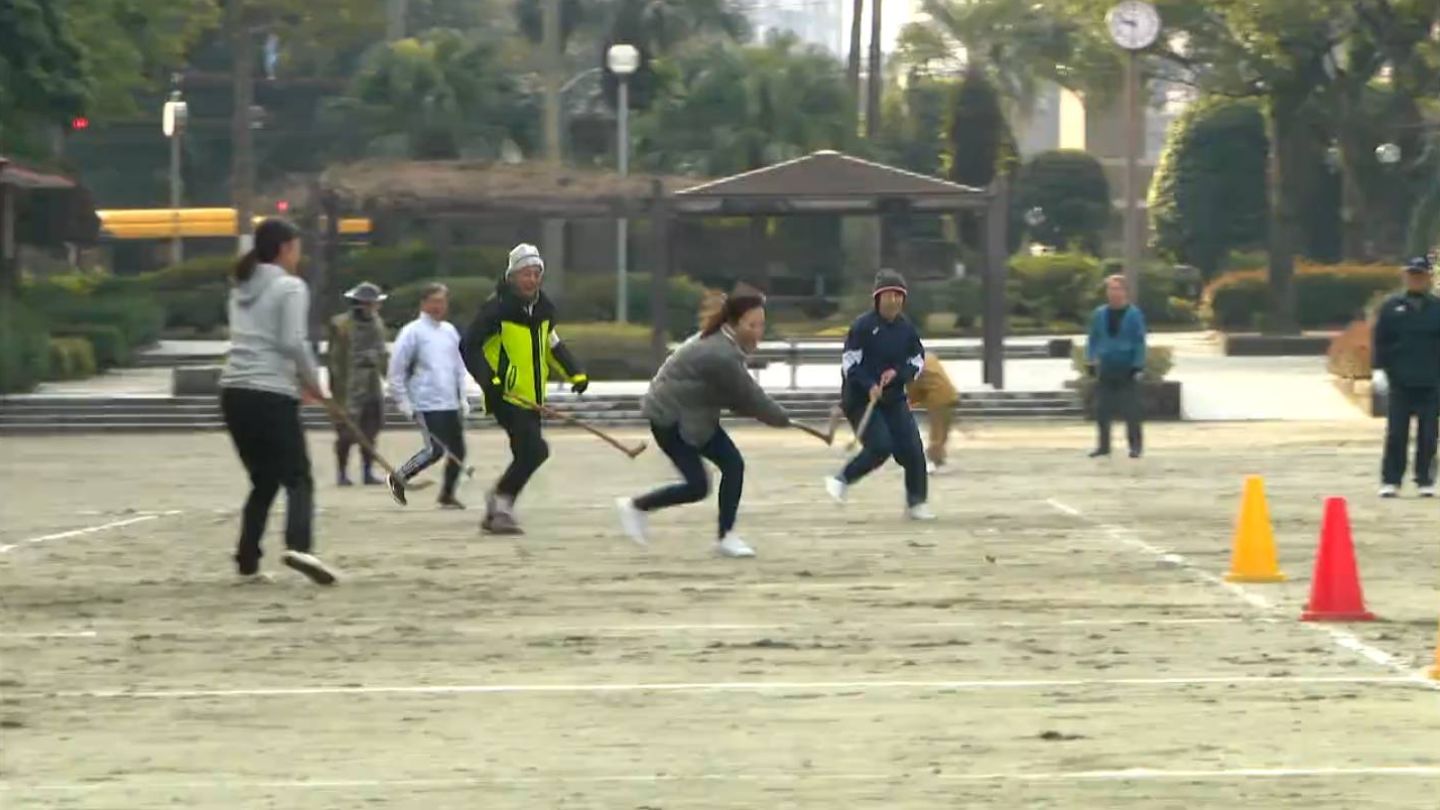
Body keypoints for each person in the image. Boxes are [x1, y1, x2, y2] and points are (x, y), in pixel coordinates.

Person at [615, 286, 792, 558]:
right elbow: (749, 396)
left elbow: (735, 397)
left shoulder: (725, 343)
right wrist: (781, 418)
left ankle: (726, 536)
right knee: (698, 486)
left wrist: (769, 415)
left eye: (761, 325)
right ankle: (635, 507)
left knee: (732, 465)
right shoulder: (720, 354)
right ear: (734, 323)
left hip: (696, 416)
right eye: (752, 325)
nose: (758, 331)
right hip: (670, 418)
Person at [218, 218, 339, 585]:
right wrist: (315, 381)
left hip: (234, 391)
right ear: (285, 248)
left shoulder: (240, 286)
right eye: (297, 248)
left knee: (264, 479)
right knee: (298, 476)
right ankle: (300, 546)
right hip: (269, 390)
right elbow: (292, 342)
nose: (298, 256)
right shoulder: (290, 287)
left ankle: (247, 559)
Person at [462, 243, 588, 534]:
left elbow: (551, 344)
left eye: (536, 273)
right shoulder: (496, 309)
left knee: (526, 453)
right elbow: (468, 346)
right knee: (536, 450)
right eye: (525, 274)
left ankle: (498, 511)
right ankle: (500, 502)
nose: (531, 279)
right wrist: (489, 380)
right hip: (506, 394)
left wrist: (575, 373)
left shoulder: (543, 309)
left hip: (532, 396)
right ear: (512, 277)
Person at [825, 269, 934, 520]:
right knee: (880, 446)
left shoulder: (906, 329)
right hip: (861, 400)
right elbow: (849, 363)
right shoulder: (863, 326)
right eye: (889, 295)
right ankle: (842, 479)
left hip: (893, 398)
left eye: (899, 295)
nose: (894, 300)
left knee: (913, 450)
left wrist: (898, 374)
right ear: (877, 298)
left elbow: (917, 360)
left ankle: (916, 502)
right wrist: (868, 383)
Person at [386, 283, 470, 510]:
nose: (438, 306)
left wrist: (463, 397)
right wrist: (403, 402)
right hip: (425, 402)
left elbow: (459, 367)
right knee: (436, 449)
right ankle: (399, 476)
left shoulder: (450, 331)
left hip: (449, 401)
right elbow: (396, 370)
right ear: (423, 303)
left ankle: (447, 494)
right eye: (434, 301)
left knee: (458, 451)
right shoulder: (412, 332)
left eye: (442, 301)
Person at [1372, 256, 1440, 497]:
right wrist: (1378, 370)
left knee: (1429, 434)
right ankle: (1391, 480)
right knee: (1396, 433)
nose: (1416, 279)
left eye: (1420, 275)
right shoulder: (1391, 306)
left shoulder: (1436, 307)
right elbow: (1380, 341)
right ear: (1405, 276)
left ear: (1428, 277)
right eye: (1412, 274)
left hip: (1432, 381)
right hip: (1399, 380)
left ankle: (1425, 479)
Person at [327, 282, 389, 487]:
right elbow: (335, 361)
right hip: (348, 388)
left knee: (371, 430)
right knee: (346, 434)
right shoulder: (341, 325)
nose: (372, 308)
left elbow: (382, 356)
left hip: (371, 385)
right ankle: (342, 473)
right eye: (368, 303)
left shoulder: (378, 324)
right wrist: (337, 393)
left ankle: (367, 472)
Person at [1085, 274, 1147, 459]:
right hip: (1106, 366)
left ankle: (1135, 446)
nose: (1113, 293)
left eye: (1117, 288)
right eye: (1110, 289)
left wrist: (1138, 365)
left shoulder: (1134, 314)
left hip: (1127, 366)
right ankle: (1103, 446)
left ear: (1125, 291)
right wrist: (1091, 359)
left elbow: (1139, 341)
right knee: (1102, 409)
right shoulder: (1099, 313)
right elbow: (1093, 338)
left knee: (1131, 411)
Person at [906, 352, 960, 475]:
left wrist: (910, 400)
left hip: (937, 398)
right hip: (950, 395)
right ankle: (939, 460)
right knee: (942, 431)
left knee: (937, 432)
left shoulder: (910, 364)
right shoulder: (927, 357)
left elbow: (912, 386)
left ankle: (933, 462)